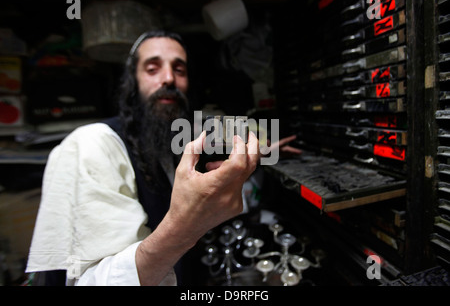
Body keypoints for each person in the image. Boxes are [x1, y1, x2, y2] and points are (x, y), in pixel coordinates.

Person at [25, 30, 300, 286]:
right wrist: (186, 226)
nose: (168, 78)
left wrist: (264, 152)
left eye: (179, 69)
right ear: (132, 82)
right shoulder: (90, 145)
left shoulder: (169, 145)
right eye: (152, 68)